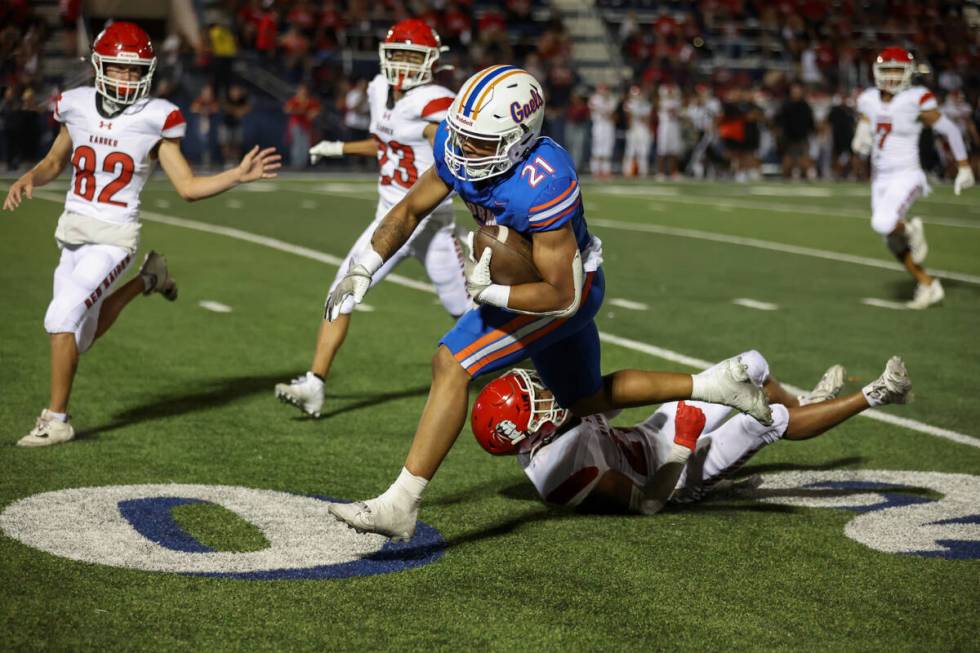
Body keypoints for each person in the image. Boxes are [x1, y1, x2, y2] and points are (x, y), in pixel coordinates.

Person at [324, 66, 773, 540]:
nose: (462, 150)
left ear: (519, 139)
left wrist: (490, 293)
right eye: (461, 135)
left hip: (561, 292)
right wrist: (365, 266)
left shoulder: (544, 180)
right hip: (544, 286)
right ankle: (717, 385)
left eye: (478, 141)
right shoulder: (461, 146)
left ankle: (400, 504)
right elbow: (411, 207)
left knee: (450, 363)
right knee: (585, 398)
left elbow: (562, 295)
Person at [2, 22, 280, 447]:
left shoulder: (156, 117)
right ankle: (150, 279)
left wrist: (236, 176)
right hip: (73, 231)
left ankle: (56, 419)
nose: (127, 79)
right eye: (118, 69)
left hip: (114, 238)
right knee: (80, 337)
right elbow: (56, 160)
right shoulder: (74, 105)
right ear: (100, 67)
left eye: (135, 72)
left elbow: (187, 188)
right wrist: (30, 178)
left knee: (61, 318)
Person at [274, 19, 468, 418]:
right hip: (389, 219)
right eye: (397, 54)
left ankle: (530, 370)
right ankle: (315, 382)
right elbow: (387, 143)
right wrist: (340, 147)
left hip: (430, 221)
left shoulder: (435, 102)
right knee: (341, 293)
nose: (402, 63)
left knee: (466, 311)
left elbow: (453, 158)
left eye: (412, 56)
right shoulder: (379, 89)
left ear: (432, 62)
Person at [471, 352, 911, 514]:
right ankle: (878, 394)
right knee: (767, 420)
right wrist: (682, 447)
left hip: (647, 438)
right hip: (670, 477)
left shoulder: (553, 424)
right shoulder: (562, 474)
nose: (547, 393)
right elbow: (647, 503)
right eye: (538, 401)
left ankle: (809, 408)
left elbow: (616, 399)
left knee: (750, 366)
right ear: (529, 437)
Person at [851, 47, 974, 309]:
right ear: (876, 72)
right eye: (887, 70)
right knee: (890, 239)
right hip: (880, 177)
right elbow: (867, 117)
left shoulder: (916, 99)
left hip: (907, 174)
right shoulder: (869, 98)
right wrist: (862, 132)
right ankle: (928, 284)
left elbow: (950, 129)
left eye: (898, 70)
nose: (892, 76)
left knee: (884, 223)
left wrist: (964, 166)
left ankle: (911, 228)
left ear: (908, 74)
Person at [621, 85, 652, 178]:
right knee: (630, 151)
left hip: (642, 129)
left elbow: (647, 119)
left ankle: (643, 172)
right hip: (633, 129)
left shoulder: (645, 104)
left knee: (643, 152)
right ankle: (627, 171)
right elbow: (629, 118)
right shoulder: (628, 104)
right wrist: (636, 113)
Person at [655, 83, 683, 180]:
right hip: (665, 126)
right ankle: (660, 172)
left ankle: (673, 172)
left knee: (674, 151)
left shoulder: (677, 102)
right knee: (662, 150)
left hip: (674, 126)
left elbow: (678, 114)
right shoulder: (661, 101)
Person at [588, 83, 616, 178]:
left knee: (607, 148)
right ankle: (595, 170)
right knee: (597, 148)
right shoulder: (594, 99)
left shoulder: (611, 99)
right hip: (598, 125)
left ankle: (606, 171)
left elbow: (611, 114)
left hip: (608, 125)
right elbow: (595, 110)